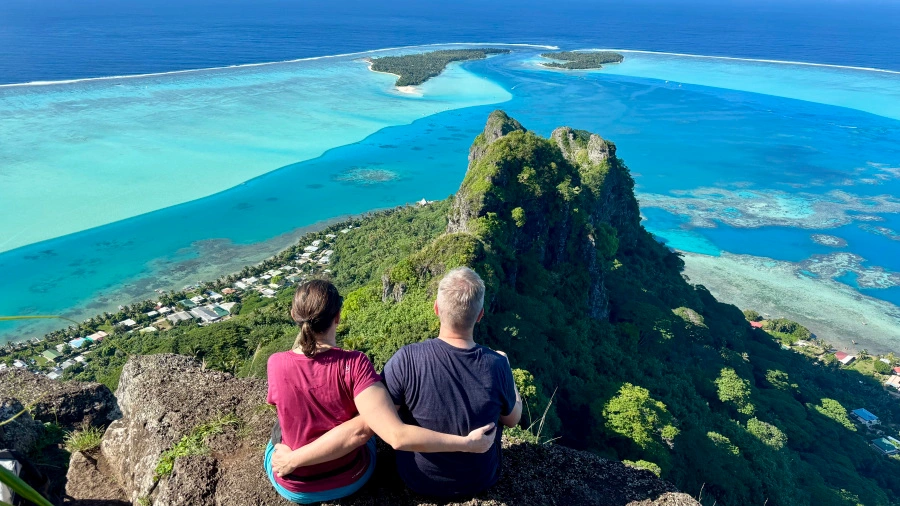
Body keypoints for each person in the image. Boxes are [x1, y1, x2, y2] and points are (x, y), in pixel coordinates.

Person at [265, 279, 496, 504]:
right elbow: (368, 431)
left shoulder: (275, 363)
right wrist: (466, 443)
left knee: (279, 427)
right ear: (337, 317)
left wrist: (292, 459)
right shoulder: (354, 364)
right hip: (350, 478)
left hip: (294, 487)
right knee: (368, 419)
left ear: (295, 316)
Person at [382, 266, 522, 497]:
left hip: (418, 479)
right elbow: (512, 419)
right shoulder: (497, 364)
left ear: (436, 309)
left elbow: (386, 416)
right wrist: (509, 376)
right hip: (479, 480)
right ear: (480, 315)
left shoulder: (406, 358)